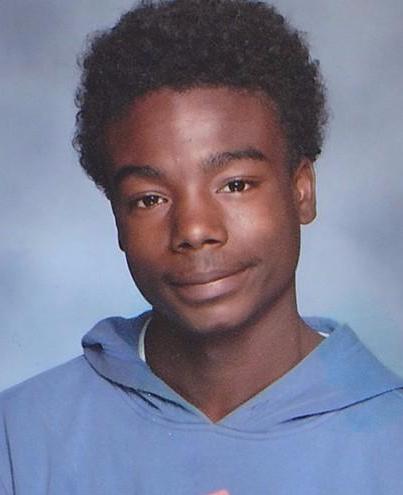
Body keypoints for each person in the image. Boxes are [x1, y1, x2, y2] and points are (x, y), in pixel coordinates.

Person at [1, 1, 402, 494]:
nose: (194, 228)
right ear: (118, 219)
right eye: (150, 198)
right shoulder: (21, 438)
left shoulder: (391, 439)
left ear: (301, 190)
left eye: (235, 185)